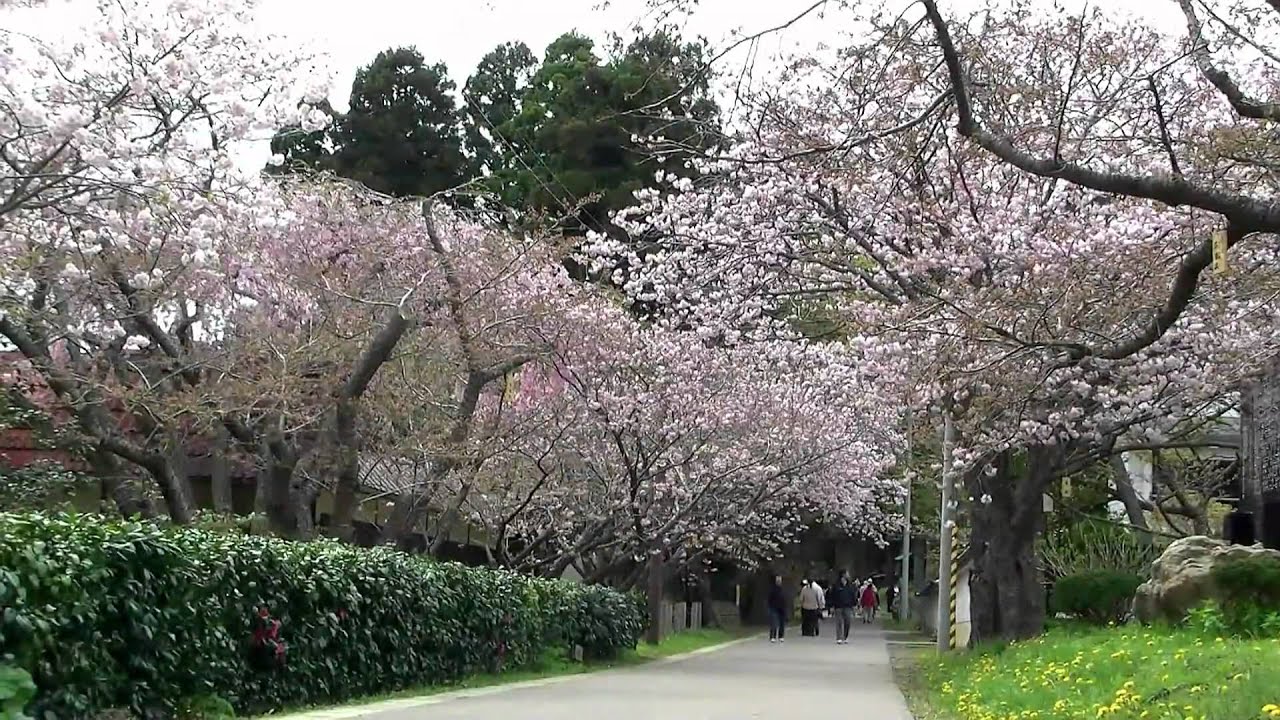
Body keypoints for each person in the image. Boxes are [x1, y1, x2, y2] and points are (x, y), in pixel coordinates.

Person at [829, 573, 858, 644]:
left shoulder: (850, 586)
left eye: (845, 578)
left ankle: (845, 636)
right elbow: (832, 596)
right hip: (838, 606)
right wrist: (831, 606)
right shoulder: (836, 586)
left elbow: (853, 596)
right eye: (842, 578)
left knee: (847, 622)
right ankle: (839, 637)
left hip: (848, 606)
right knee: (838, 622)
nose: (843, 579)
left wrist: (854, 605)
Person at [767, 575, 788, 643]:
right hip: (774, 608)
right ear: (776, 581)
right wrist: (770, 606)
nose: (779, 581)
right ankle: (773, 637)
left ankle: (781, 636)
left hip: (782, 608)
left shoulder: (783, 589)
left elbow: (785, 599)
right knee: (774, 623)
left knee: (782, 623)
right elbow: (769, 599)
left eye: (780, 580)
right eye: (777, 580)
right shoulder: (772, 589)